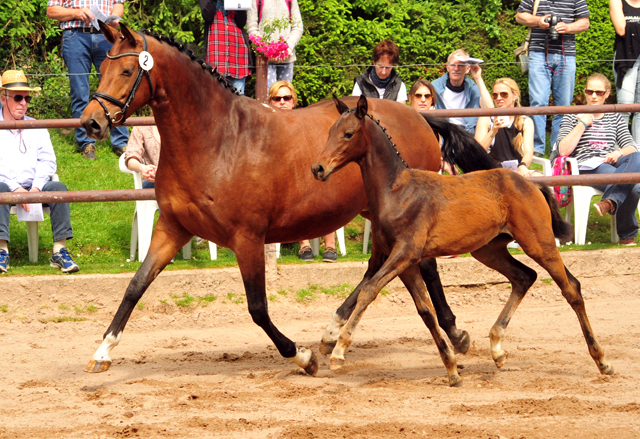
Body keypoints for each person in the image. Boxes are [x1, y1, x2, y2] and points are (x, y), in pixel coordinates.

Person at [0, 70, 79, 273]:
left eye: (27, 98)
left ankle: (59, 250)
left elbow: (48, 161)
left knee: (58, 188)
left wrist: (35, 188)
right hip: (7, 185)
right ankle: (2, 250)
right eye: (18, 98)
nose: (23, 103)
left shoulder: (37, 126)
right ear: (3, 98)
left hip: (35, 185)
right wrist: (16, 188)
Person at [555, 73, 640, 246]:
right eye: (590, 91)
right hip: (585, 164)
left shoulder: (614, 116)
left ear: (607, 94)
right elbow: (562, 149)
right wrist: (583, 123)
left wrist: (618, 153)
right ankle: (627, 235)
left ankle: (609, 202)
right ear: (585, 92)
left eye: (599, 93)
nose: (593, 96)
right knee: (634, 184)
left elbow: (631, 146)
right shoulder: (573, 115)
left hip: (611, 161)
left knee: (637, 157)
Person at [47, 0, 129, 160]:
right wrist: (76, 13)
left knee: (116, 90)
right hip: (75, 36)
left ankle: (121, 142)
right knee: (80, 92)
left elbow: (119, 4)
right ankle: (87, 142)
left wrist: (116, 16)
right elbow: (51, 11)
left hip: (107, 36)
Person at [268, 81, 338, 262]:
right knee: (295, 192)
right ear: (271, 102)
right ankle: (304, 245)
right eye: (277, 98)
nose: (282, 102)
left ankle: (330, 245)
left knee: (325, 188)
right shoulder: (268, 125)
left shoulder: (304, 121)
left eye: (286, 98)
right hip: (280, 179)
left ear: (293, 101)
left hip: (306, 172)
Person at [516, 0, 590, 156]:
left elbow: (584, 23)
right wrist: (538, 21)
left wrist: (568, 27)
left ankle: (558, 148)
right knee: (538, 103)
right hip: (538, 53)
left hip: (567, 54)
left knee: (563, 105)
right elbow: (519, 16)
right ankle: (536, 149)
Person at [474, 77, 537, 178]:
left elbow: (528, 152)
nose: (498, 98)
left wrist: (523, 166)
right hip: (491, 170)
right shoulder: (486, 119)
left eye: (504, 94)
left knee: (539, 178)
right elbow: (478, 152)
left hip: (517, 168)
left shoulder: (526, 121)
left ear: (515, 95)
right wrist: (493, 132)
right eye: (495, 95)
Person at [247, 0, 303, 93]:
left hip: (287, 57)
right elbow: (251, 28)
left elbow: (298, 26)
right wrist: (267, 50)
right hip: (265, 59)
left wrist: (288, 47)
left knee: (286, 95)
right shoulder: (256, 1)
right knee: (268, 95)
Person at [199, 0, 252, 94]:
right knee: (216, 100)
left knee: (238, 101)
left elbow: (241, 22)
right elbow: (207, 15)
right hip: (216, 55)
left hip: (238, 55)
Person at [431, 49, 487, 133]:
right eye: (453, 65)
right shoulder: (434, 86)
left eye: (460, 65)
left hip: (467, 134)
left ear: (467, 68)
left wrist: (478, 78)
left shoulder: (473, 88)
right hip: (444, 132)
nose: (456, 68)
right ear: (448, 68)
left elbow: (489, 108)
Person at [611, 0, 640, 145]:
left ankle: (638, 152)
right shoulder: (617, 1)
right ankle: (620, 150)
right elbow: (621, 30)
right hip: (626, 56)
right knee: (625, 105)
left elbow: (628, 29)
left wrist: (633, 29)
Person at [352, 39, 407, 103]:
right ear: (374, 63)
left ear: (393, 65)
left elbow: (400, 111)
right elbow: (356, 109)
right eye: (380, 67)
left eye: (388, 68)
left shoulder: (399, 85)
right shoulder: (360, 83)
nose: (383, 72)